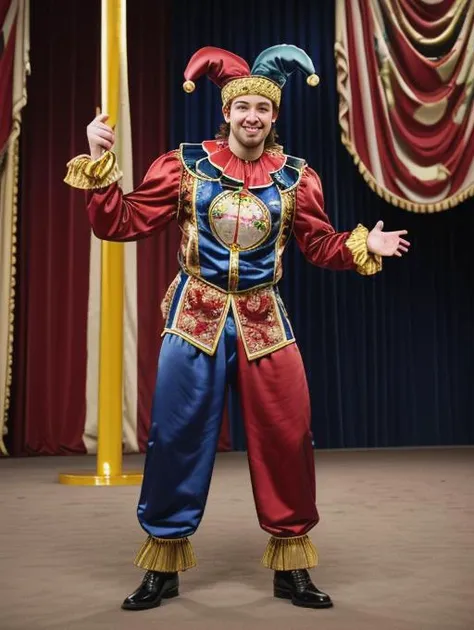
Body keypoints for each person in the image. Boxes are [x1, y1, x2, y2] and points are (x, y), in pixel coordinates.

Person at [65, 45, 410, 612]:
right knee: (175, 437)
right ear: (225, 112)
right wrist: (99, 163)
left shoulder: (297, 178)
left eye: (263, 108)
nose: (252, 116)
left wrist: (361, 243)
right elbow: (119, 221)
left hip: (264, 319)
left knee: (288, 438)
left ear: (275, 117)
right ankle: (163, 562)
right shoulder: (185, 166)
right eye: (242, 106)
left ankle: (292, 563)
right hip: (195, 317)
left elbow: (319, 244)